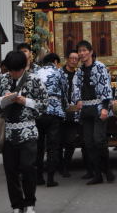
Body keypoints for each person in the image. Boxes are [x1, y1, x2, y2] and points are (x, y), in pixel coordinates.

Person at [0, 50, 48, 213]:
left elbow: (44, 103)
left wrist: (25, 101)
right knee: (11, 170)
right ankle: (16, 204)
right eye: (11, 70)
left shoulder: (34, 80)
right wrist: (3, 100)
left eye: (17, 70)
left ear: (24, 67)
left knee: (28, 167)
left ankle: (30, 203)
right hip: (8, 131)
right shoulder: (2, 79)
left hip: (28, 130)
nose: (14, 74)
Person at [72, 40, 114, 184]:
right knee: (88, 142)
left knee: (99, 140)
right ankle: (97, 174)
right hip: (85, 109)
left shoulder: (100, 67)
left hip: (98, 106)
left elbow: (106, 88)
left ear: (90, 52)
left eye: (84, 50)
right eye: (80, 51)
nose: (82, 53)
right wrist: (77, 100)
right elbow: (75, 87)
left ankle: (107, 169)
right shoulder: (79, 71)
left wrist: (104, 107)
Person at [35, 53, 67, 187]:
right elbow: (65, 90)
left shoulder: (36, 72)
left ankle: (38, 177)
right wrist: (64, 106)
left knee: (39, 146)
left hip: (38, 111)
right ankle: (50, 178)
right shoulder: (59, 72)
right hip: (54, 112)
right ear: (55, 61)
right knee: (53, 146)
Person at [59, 50, 80, 177]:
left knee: (71, 140)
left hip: (74, 112)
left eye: (76, 59)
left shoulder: (79, 74)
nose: (73, 61)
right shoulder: (60, 73)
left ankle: (66, 165)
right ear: (67, 59)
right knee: (58, 141)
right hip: (61, 110)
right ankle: (59, 165)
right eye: (71, 58)